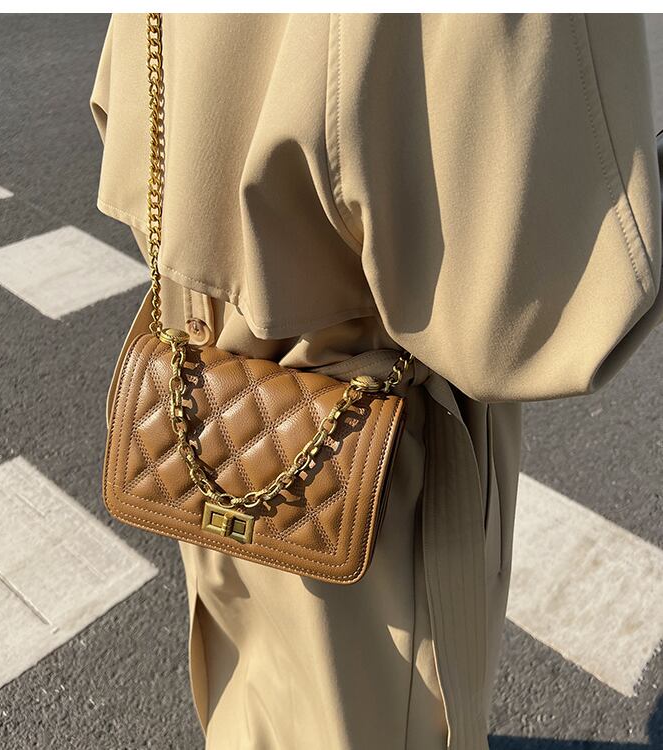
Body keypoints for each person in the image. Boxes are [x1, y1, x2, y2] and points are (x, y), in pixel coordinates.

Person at [90, 13, 662, 750]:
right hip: (381, 445)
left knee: (251, 711)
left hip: (206, 388)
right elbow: (530, 307)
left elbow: (125, 107)